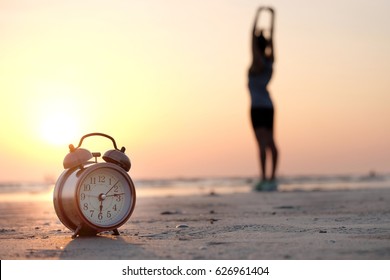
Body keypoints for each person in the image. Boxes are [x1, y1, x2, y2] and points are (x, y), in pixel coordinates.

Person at [248, 7, 278, 191]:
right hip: (268, 106)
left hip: (257, 108)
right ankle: (272, 178)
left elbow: (251, 37)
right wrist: (272, 18)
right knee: (271, 142)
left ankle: (264, 178)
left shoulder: (257, 62)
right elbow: (272, 38)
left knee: (261, 143)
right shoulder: (269, 61)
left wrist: (258, 15)